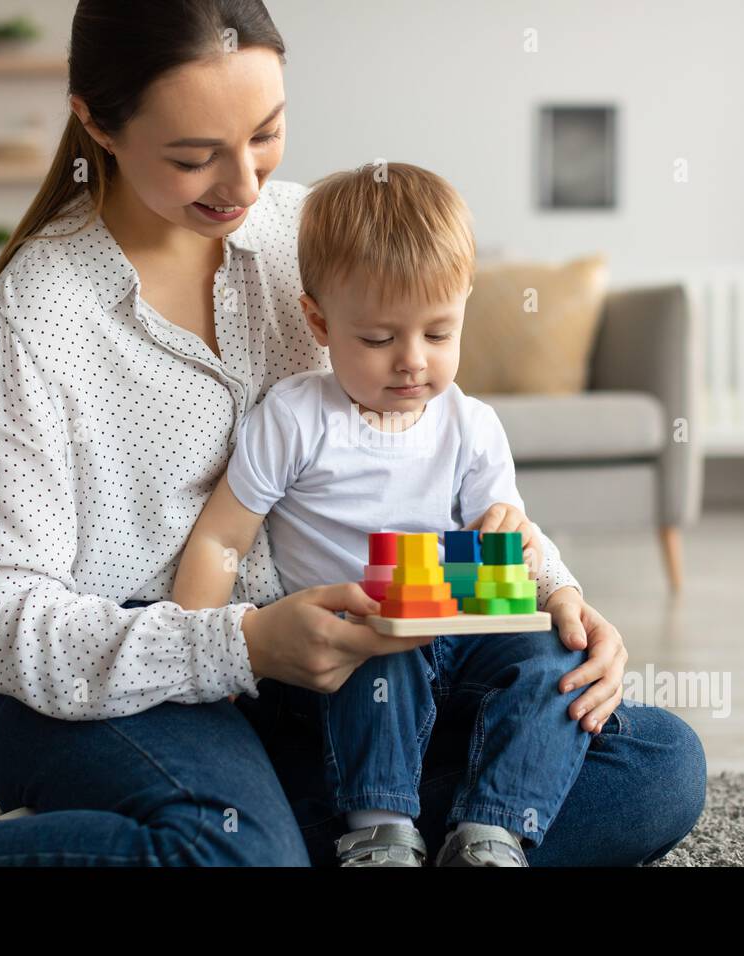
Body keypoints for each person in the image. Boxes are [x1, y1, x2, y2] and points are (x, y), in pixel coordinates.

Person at [0, 0, 705, 867]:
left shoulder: (315, 236)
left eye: (268, 133)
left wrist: (560, 600)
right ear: (96, 122)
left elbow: (445, 453)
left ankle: (340, 828)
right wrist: (237, 645)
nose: (242, 182)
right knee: (231, 852)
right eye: (195, 155)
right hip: (124, 693)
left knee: (656, 762)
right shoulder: (43, 306)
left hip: (344, 685)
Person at [172, 162, 596, 866]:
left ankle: (492, 830)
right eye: (377, 339)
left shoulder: (471, 425)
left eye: (438, 334)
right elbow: (221, 535)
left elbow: (509, 530)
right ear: (320, 322)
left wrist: (525, 553)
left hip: (456, 631)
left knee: (556, 654)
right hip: (343, 644)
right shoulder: (297, 417)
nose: (411, 363)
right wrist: (202, 659)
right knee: (382, 645)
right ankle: (379, 828)